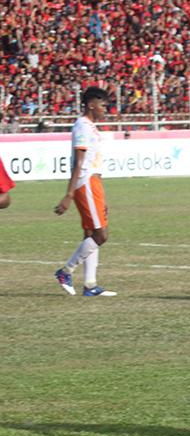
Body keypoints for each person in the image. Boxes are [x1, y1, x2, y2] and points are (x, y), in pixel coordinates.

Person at [53, 86, 116, 297]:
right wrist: (69, 194)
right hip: (86, 182)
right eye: (103, 105)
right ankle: (66, 271)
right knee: (101, 234)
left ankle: (90, 285)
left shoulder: (90, 127)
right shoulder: (82, 126)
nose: (105, 109)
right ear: (91, 104)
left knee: (90, 233)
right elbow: (79, 162)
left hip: (93, 182)